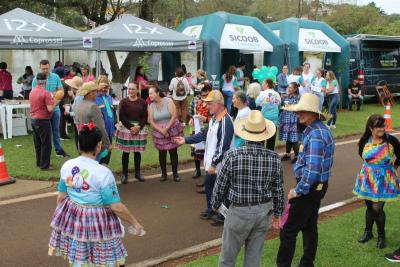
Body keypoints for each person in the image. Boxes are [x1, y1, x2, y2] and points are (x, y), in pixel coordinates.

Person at [48, 124, 144, 267]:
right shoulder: (103, 173)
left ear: (79, 145)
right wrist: (136, 224)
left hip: (76, 220)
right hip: (99, 222)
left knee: (81, 257)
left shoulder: (67, 165)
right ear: (99, 146)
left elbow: (61, 197)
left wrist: (64, 218)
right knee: (106, 257)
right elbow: (116, 206)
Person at [212, 110, 284, 267]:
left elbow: (220, 186)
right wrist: (277, 214)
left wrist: (216, 205)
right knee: (253, 260)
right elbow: (278, 190)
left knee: (227, 259)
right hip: (264, 211)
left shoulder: (232, 156)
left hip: (239, 212)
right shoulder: (274, 158)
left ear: (244, 133)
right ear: (265, 134)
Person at [277, 93, 335, 267]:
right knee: (309, 226)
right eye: (299, 111)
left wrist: (298, 190)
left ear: (314, 114)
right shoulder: (320, 129)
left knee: (288, 230)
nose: (299, 114)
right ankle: (307, 263)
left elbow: (312, 170)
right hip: (316, 187)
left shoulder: (315, 134)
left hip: (309, 187)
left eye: (304, 111)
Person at [174, 90, 234, 226]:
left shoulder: (225, 121)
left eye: (210, 103)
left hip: (220, 164)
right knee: (209, 185)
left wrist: (214, 164)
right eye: (207, 103)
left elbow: (223, 147)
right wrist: (185, 140)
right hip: (213, 164)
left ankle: (223, 215)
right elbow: (203, 135)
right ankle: (212, 208)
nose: (207, 106)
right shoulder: (214, 119)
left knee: (222, 189)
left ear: (219, 104)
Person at [353, 114, 400, 250]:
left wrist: (393, 167)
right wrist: (371, 168)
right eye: (378, 126)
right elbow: (361, 154)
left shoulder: (391, 140)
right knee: (369, 207)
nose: (381, 129)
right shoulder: (364, 140)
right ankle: (368, 232)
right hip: (367, 178)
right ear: (370, 128)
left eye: (383, 125)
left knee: (377, 208)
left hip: (384, 180)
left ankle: (381, 236)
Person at [32, 59, 69, 157]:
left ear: (50, 67)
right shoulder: (36, 79)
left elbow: (61, 91)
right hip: (43, 112)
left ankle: (59, 150)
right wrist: (51, 95)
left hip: (55, 108)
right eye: (43, 68)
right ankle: (44, 154)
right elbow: (34, 94)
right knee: (45, 134)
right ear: (40, 67)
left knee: (55, 130)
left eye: (46, 68)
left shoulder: (55, 77)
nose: (45, 70)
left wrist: (55, 100)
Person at [148, 86, 183, 182]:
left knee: (173, 152)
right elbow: (151, 121)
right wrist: (161, 130)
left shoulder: (168, 100)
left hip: (171, 129)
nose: (149, 95)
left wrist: (166, 129)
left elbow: (174, 115)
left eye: (151, 93)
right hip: (159, 131)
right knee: (162, 153)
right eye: (149, 93)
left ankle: (175, 174)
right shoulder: (151, 105)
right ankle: (164, 174)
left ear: (157, 93)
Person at [115, 83, 148, 184]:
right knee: (126, 152)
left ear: (137, 90)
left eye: (133, 89)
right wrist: (131, 127)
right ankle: (124, 174)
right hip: (126, 128)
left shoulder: (142, 102)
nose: (131, 91)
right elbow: (122, 116)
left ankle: (137, 173)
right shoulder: (123, 102)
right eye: (129, 89)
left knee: (137, 152)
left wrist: (139, 126)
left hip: (139, 128)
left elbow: (145, 116)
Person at [75, 82, 112, 162]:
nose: (97, 93)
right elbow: (100, 127)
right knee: (96, 165)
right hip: (93, 144)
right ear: (90, 93)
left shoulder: (79, 105)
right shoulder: (93, 107)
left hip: (83, 143)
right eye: (95, 91)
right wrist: (107, 144)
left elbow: (77, 125)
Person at [30, 73, 60, 170]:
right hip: (43, 120)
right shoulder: (46, 93)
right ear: (46, 81)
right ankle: (45, 165)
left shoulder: (32, 92)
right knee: (46, 144)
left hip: (34, 119)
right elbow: (50, 109)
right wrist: (55, 102)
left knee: (38, 143)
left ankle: (39, 163)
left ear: (37, 81)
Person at [188, 84, 212, 180]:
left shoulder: (214, 102)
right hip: (197, 129)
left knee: (208, 151)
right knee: (196, 150)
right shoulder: (197, 100)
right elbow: (192, 112)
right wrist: (192, 119)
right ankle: (197, 170)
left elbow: (217, 118)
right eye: (202, 95)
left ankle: (208, 172)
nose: (204, 97)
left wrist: (205, 119)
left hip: (209, 130)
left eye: (206, 95)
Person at [256, 78, 281, 150]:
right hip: (274, 120)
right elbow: (279, 105)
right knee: (271, 141)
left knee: (261, 140)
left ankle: (260, 157)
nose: (262, 85)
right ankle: (270, 157)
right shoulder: (277, 94)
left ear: (267, 84)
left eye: (263, 83)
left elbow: (257, 104)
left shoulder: (262, 93)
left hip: (264, 119)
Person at [95, 75, 115, 165]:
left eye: (106, 87)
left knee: (108, 150)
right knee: (99, 151)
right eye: (102, 87)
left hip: (109, 130)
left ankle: (104, 167)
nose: (104, 89)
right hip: (100, 131)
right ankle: (97, 166)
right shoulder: (94, 98)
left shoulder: (109, 98)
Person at [279, 82, 301, 164]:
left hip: (293, 119)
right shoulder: (287, 96)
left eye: (291, 88)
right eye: (289, 87)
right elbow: (283, 106)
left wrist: (291, 107)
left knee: (294, 138)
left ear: (295, 89)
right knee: (288, 137)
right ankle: (288, 154)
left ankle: (297, 157)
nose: (289, 89)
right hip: (286, 118)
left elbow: (299, 108)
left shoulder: (298, 97)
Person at [65, 76, 83, 151]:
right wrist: (70, 105)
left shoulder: (79, 97)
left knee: (80, 141)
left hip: (79, 121)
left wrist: (68, 113)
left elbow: (77, 112)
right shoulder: (80, 95)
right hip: (80, 121)